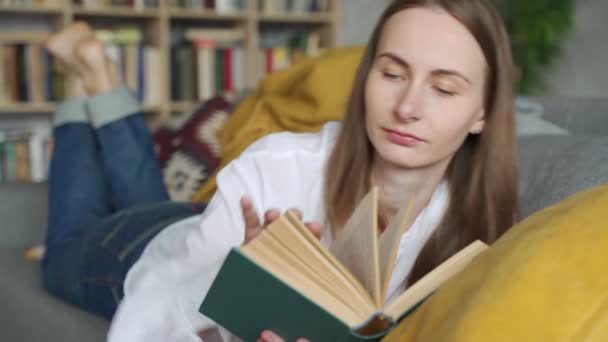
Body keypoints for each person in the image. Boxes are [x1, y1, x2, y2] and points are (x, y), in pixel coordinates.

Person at [41, 0, 519, 340]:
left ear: (482, 113)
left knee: (147, 198)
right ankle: (86, 87)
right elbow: (156, 309)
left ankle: (99, 81)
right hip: (156, 249)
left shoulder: (480, 227)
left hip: (208, 214)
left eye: (445, 88)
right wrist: (239, 292)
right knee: (63, 247)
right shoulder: (277, 164)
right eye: (392, 74)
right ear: (366, 77)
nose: (408, 107)